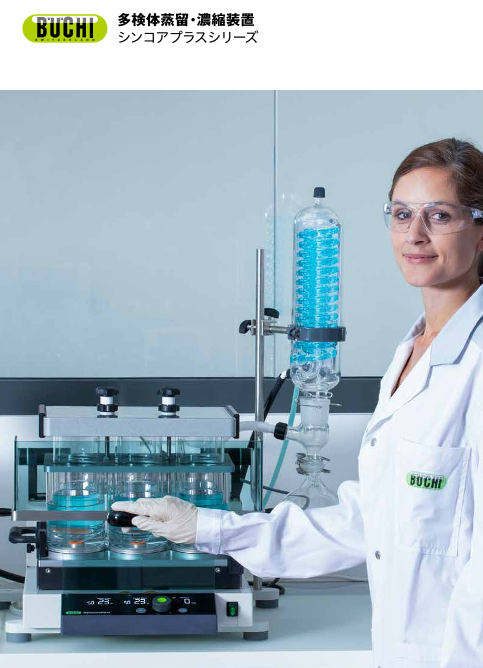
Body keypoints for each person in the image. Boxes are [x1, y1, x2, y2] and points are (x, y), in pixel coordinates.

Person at [113, 138, 483, 668]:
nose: (414, 234)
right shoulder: (413, 351)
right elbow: (373, 519)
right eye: (402, 214)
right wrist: (207, 528)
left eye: (439, 215)